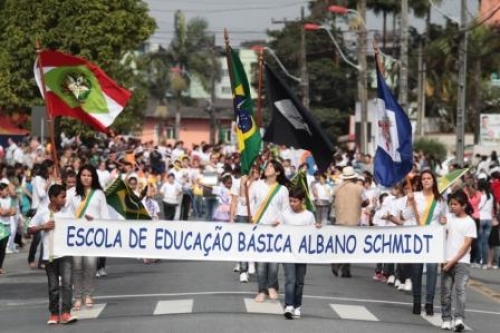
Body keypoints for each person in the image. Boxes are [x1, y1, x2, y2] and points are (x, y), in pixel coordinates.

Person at [28, 184, 78, 325]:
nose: (64, 200)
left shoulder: (68, 212)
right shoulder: (42, 212)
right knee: (53, 286)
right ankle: (54, 314)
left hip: (66, 254)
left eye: (65, 197)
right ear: (52, 198)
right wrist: (43, 227)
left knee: (67, 284)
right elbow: (29, 229)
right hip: (49, 256)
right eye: (62, 197)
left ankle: (66, 313)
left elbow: (79, 227)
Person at [243, 159, 290, 303]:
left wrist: (280, 221)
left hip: (275, 229)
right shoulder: (257, 185)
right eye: (267, 165)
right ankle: (262, 290)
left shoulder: (282, 189)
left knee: (274, 263)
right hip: (260, 227)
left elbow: (286, 210)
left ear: (277, 172)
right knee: (261, 263)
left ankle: (272, 286)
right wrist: (245, 184)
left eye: (271, 166)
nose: (267, 168)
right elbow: (244, 201)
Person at [67, 164, 110, 310]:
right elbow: (66, 214)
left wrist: (96, 222)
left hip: (93, 236)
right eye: (83, 175)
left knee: (91, 266)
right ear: (79, 177)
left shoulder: (99, 194)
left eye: (89, 175)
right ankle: (77, 297)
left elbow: (106, 217)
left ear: (94, 177)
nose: (86, 178)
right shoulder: (71, 193)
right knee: (77, 267)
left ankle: (89, 295)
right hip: (76, 237)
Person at [405, 170, 446, 315]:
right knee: (416, 270)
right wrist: (410, 202)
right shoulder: (414, 196)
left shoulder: (440, 200)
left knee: (432, 270)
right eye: (423, 179)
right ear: (420, 181)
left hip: (433, 240)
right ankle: (416, 301)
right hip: (418, 239)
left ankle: (429, 303)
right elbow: (406, 216)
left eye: (429, 178)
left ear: (433, 181)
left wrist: (444, 222)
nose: (426, 181)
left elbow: (444, 219)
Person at [440, 189, 477, 331]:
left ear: (464, 205)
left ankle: (459, 319)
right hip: (446, 259)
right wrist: (442, 223)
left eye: (455, 204)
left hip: (462, 262)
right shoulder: (448, 217)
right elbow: (440, 234)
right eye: (451, 204)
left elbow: (466, 246)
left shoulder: (470, 222)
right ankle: (446, 319)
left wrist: (451, 263)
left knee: (460, 290)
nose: (452, 207)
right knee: (446, 292)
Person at [280, 187, 318, 319]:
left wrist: (317, 228)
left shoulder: (309, 216)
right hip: (288, 252)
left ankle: (297, 306)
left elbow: (313, 233)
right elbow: (279, 230)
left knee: (299, 281)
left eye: (295, 201)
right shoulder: (285, 214)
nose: (292, 204)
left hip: (302, 253)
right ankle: (288, 305)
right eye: (290, 201)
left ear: (302, 201)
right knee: (290, 279)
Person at [331, 166, 369, 278]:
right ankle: (344, 268)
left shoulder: (336, 188)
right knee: (350, 245)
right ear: (353, 177)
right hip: (353, 220)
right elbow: (366, 201)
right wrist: (359, 204)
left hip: (340, 219)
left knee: (341, 243)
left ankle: (340, 265)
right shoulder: (359, 188)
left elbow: (330, 201)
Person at [0, 183, 16, 274]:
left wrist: (7, 212)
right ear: (0, 191)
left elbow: (14, 212)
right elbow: (2, 213)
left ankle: (0, 267)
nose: (8, 192)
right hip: (0, 225)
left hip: (7, 226)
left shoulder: (10, 200)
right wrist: (8, 211)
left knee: (3, 248)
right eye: (6, 190)